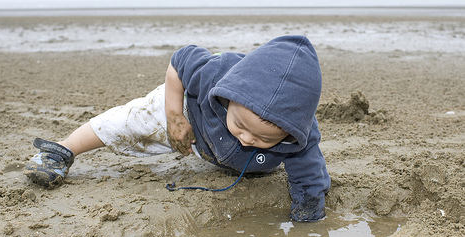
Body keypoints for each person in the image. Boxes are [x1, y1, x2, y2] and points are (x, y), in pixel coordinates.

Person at [25, 35, 330, 221]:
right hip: (188, 115)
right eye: (240, 124)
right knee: (126, 123)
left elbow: (310, 177)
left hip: (223, 150)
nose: (248, 138)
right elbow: (179, 60)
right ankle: (64, 150)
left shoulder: (299, 138)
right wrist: (173, 116)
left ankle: (236, 149)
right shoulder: (213, 73)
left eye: (265, 138)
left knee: (269, 163)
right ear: (228, 96)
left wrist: (308, 213)